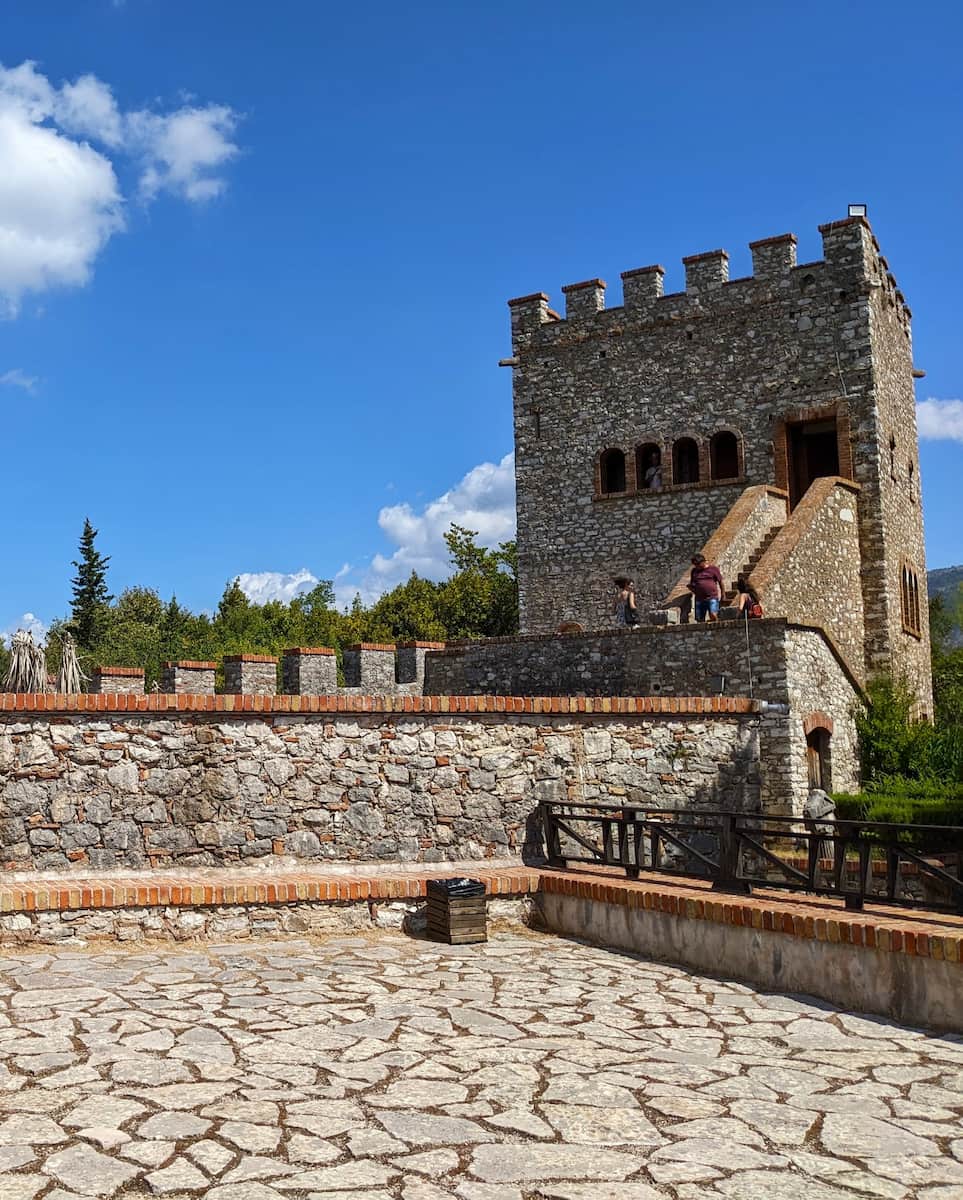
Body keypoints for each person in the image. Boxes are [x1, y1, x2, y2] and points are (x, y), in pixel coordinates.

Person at [688, 554, 724, 623]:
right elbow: (693, 583)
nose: (697, 566)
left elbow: (721, 582)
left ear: (703, 562)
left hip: (712, 597)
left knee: (713, 614)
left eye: (698, 564)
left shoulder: (713, 569)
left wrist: (723, 594)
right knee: (699, 618)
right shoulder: (694, 571)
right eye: (695, 565)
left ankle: (716, 627)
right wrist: (692, 588)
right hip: (699, 598)